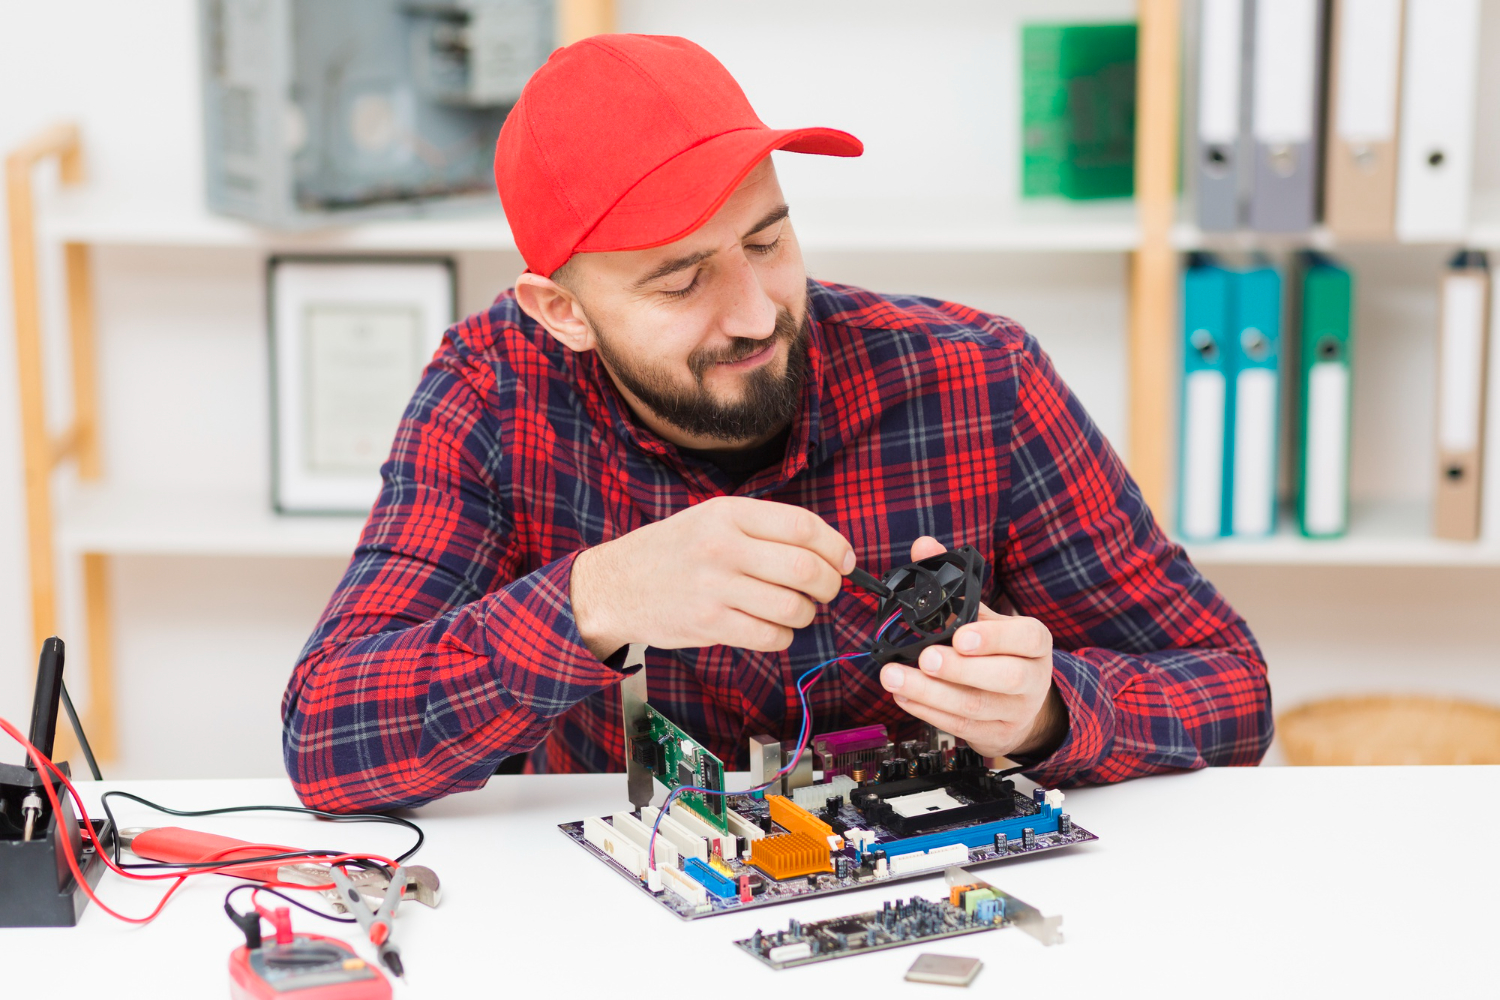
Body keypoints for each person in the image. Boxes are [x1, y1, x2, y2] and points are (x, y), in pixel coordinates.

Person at [282, 34, 1271, 813]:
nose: (757, 313)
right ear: (562, 312)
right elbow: (329, 738)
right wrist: (599, 595)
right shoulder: (492, 391)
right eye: (681, 280)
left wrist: (1051, 713)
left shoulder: (978, 378)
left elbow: (1232, 691)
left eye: (768, 238)